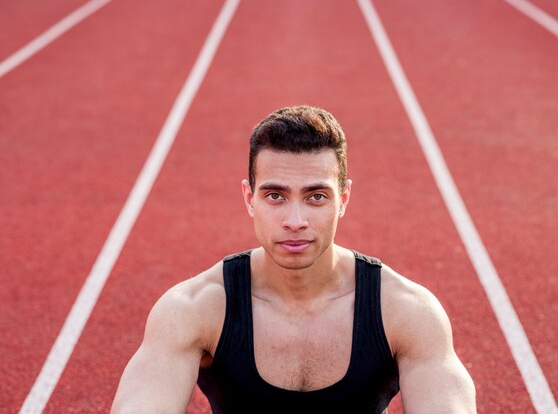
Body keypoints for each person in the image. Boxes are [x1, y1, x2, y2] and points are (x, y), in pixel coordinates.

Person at [111, 105, 476, 413]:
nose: (295, 221)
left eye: (316, 197)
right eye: (275, 196)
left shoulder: (406, 312)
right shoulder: (194, 309)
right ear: (248, 197)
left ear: (344, 199)